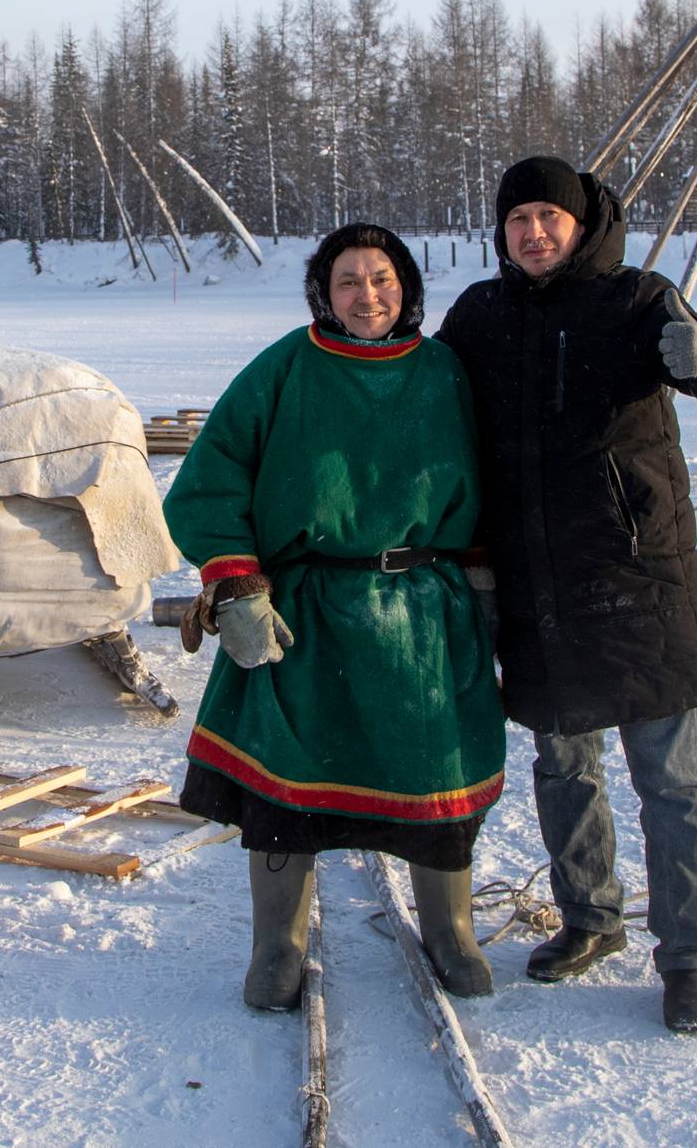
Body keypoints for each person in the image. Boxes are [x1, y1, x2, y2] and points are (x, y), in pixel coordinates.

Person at [437, 156, 697, 1034]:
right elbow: (433, 407)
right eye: (518, 220)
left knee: (672, 780)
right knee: (563, 769)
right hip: (537, 585)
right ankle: (590, 917)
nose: (533, 234)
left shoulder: (637, 300)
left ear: (582, 224)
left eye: (549, 217)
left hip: (638, 580)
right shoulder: (480, 316)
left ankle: (690, 959)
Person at [166, 222, 506, 1011]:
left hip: (424, 612)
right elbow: (210, 477)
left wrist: (487, 587)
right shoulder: (286, 368)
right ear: (325, 291)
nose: (367, 295)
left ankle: (452, 931)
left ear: (407, 287)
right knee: (288, 787)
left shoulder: (443, 371)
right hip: (308, 612)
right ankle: (276, 947)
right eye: (348, 280)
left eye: (381, 278)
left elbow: (491, 481)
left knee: (437, 778)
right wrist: (237, 585)